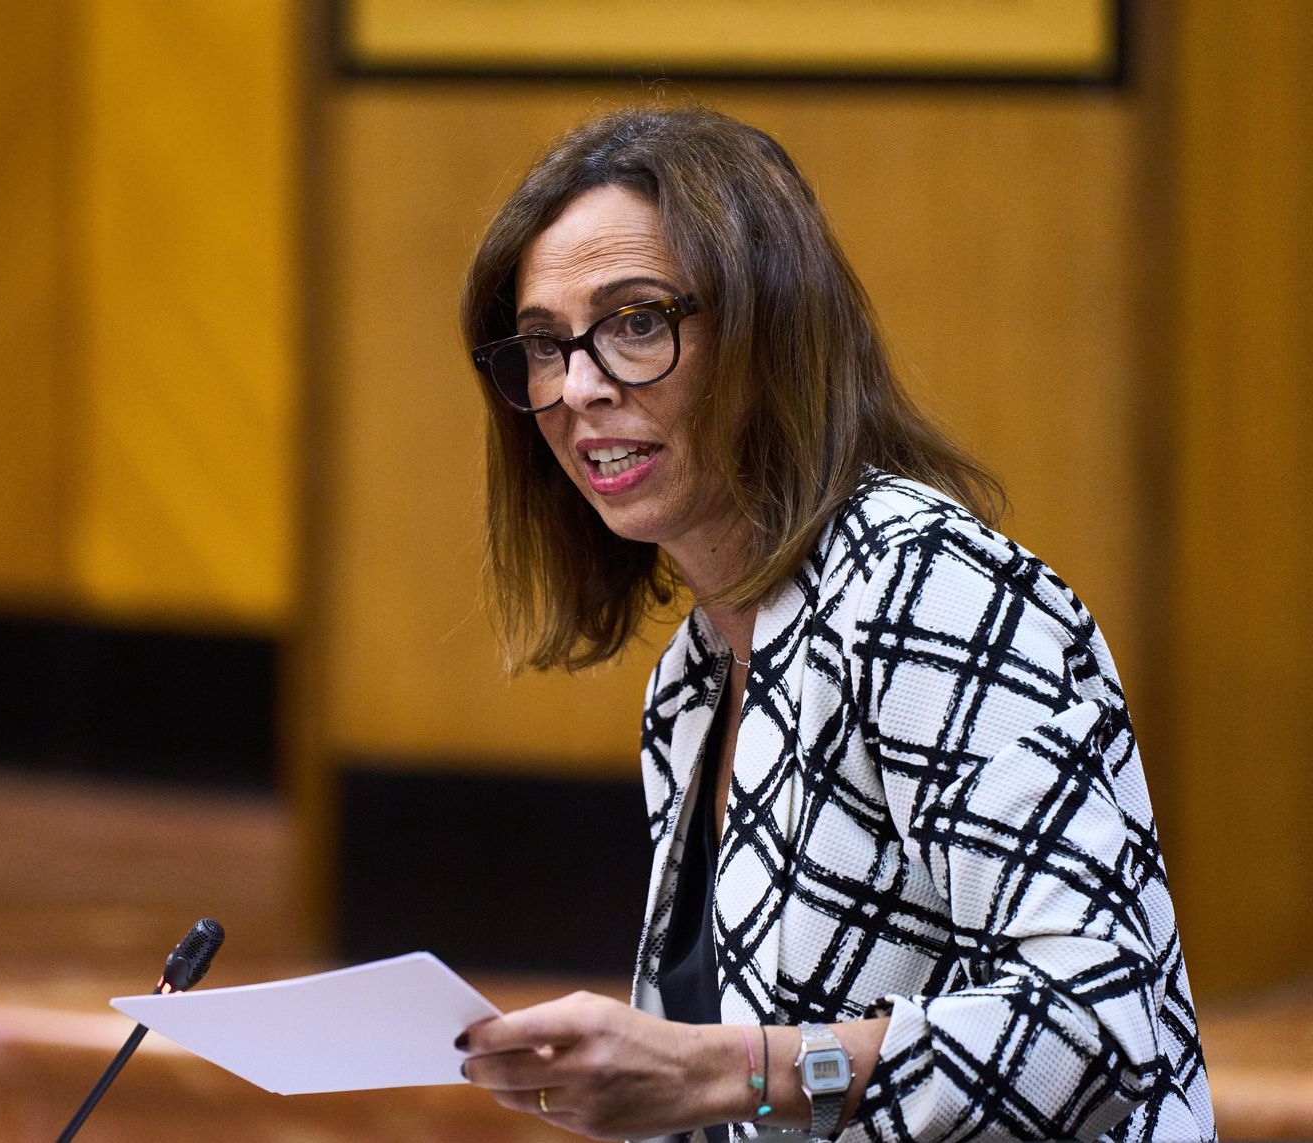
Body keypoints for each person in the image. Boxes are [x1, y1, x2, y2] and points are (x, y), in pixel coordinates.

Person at [451, 105, 1214, 1143]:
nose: (578, 388)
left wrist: (727, 1071)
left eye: (634, 323)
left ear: (770, 330)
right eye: (543, 345)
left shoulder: (928, 590)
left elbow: (1099, 1031)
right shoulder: (694, 676)